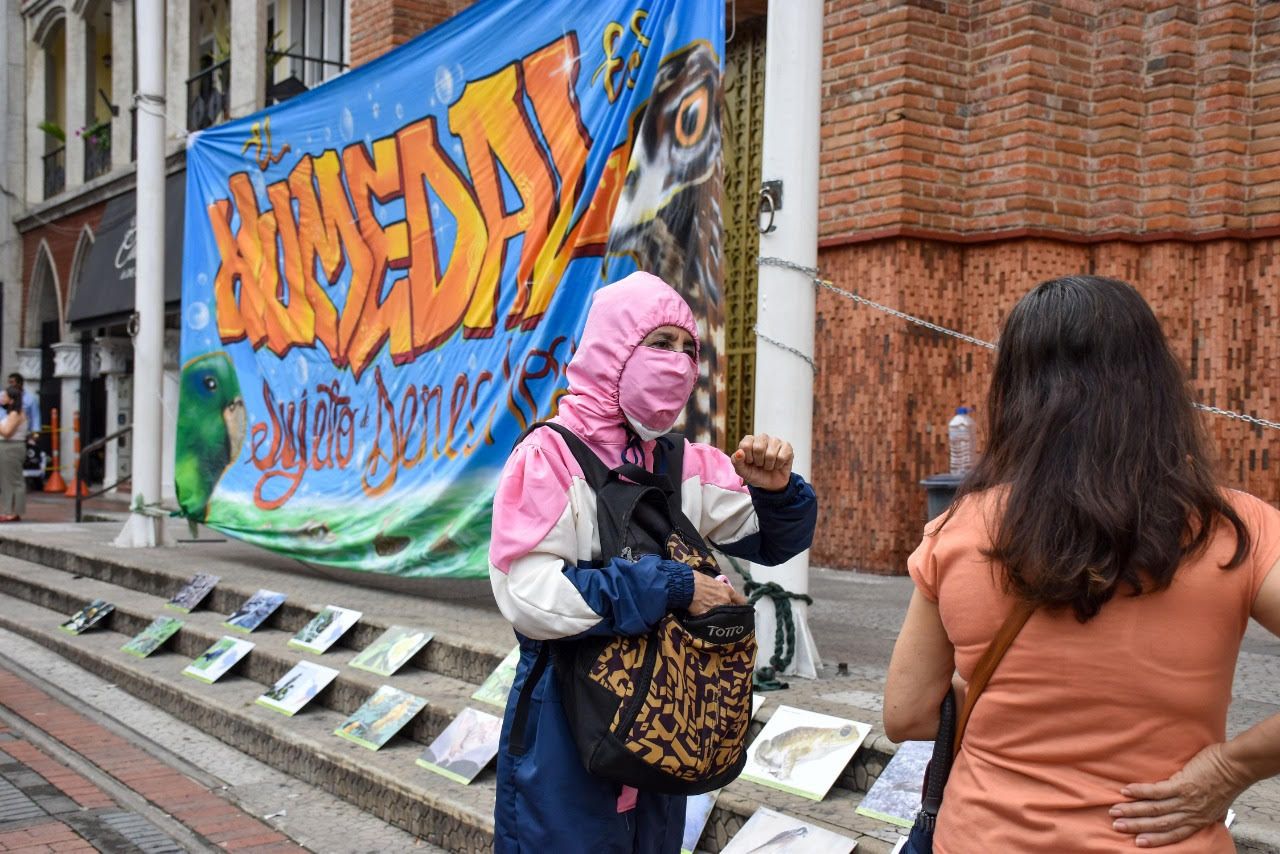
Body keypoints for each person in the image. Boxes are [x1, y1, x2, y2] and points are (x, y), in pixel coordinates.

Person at [884, 275, 1280, 853]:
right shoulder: (1236, 529)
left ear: (1016, 390)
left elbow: (907, 713)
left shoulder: (958, 529)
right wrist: (1232, 768)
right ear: (1154, 383)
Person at [489, 271, 818, 854]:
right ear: (611, 349)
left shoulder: (681, 463)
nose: (679, 362)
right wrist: (669, 585)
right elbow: (531, 595)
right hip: (564, 729)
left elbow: (770, 538)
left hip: (661, 726)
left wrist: (776, 489)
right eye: (660, 344)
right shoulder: (548, 458)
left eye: (689, 348)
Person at [0, 387, 29, 521]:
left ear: (11, 399)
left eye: (4, 396)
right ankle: (9, 510)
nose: (2, 398)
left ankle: (13, 512)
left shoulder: (15, 414)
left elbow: (7, 432)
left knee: (13, 480)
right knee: (7, 480)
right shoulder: (12, 413)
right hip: (8, 447)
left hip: (11, 447)